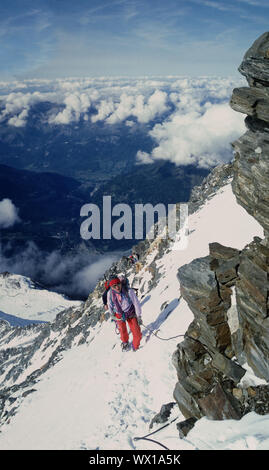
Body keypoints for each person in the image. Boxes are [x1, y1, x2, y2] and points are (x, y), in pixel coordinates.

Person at [107, 276, 142, 351]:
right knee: (122, 331)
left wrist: (139, 316)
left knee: (137, 333)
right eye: (114, 286)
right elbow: (110, 305)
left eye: (118, 284)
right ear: (111, 287)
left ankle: (135, 347)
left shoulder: (128, 291)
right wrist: (112, 315)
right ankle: (125, 342)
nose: (117, 287)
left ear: (120, 283)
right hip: (119, 314)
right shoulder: (110, 294)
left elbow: (136, 303)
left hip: (130, 312)